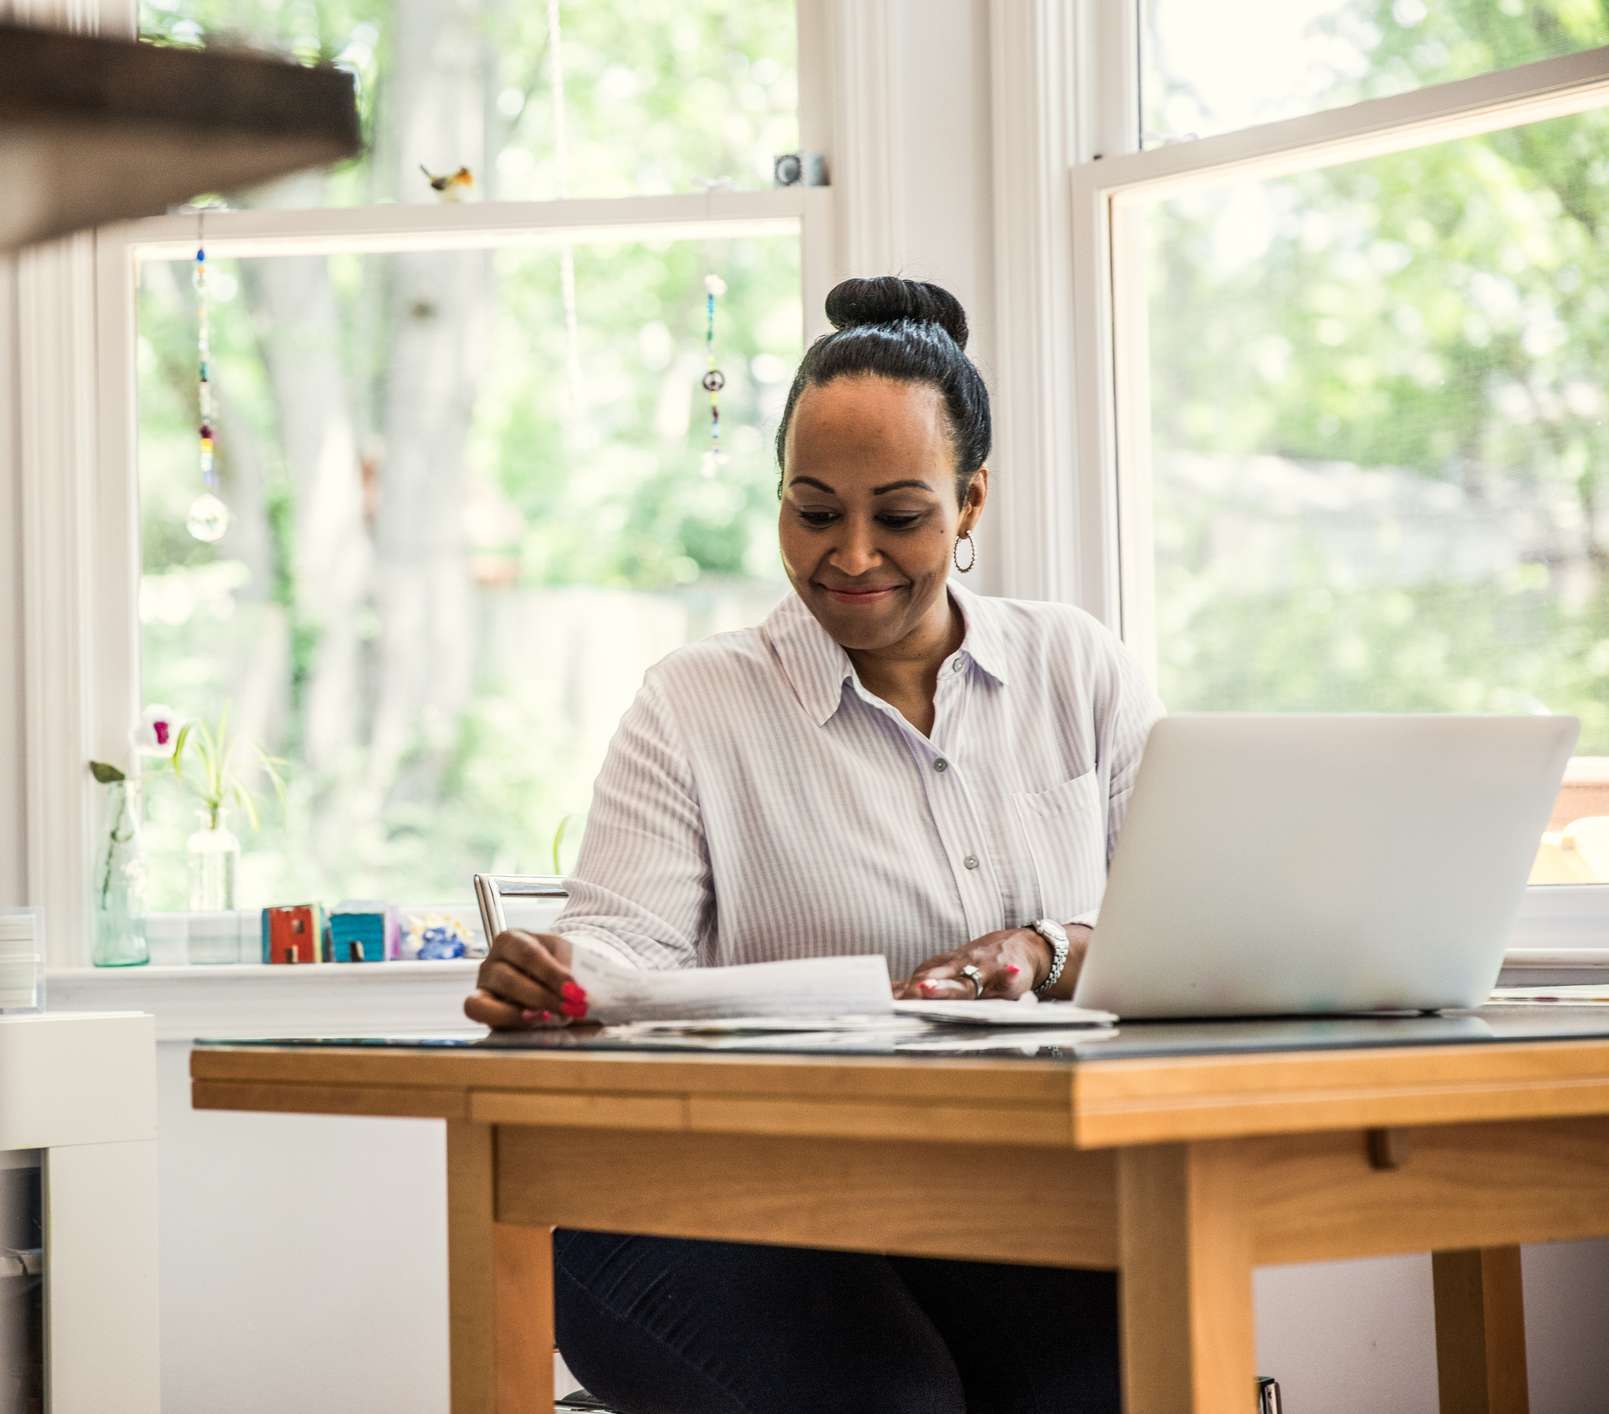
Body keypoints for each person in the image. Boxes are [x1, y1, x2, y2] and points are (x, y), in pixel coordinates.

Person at [463, 276, 1159, 1413]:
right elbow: (621, 954)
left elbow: (1172, 931)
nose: (849, 553)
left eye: (899, 513)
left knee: (1125, 1368)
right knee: (888, 1400)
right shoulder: (695, 702)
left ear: (971, 501)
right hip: (696, 1194)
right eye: (812, 508)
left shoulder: (1078, 670)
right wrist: (558, 975)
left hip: (982, 1194)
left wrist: (1048, 944)